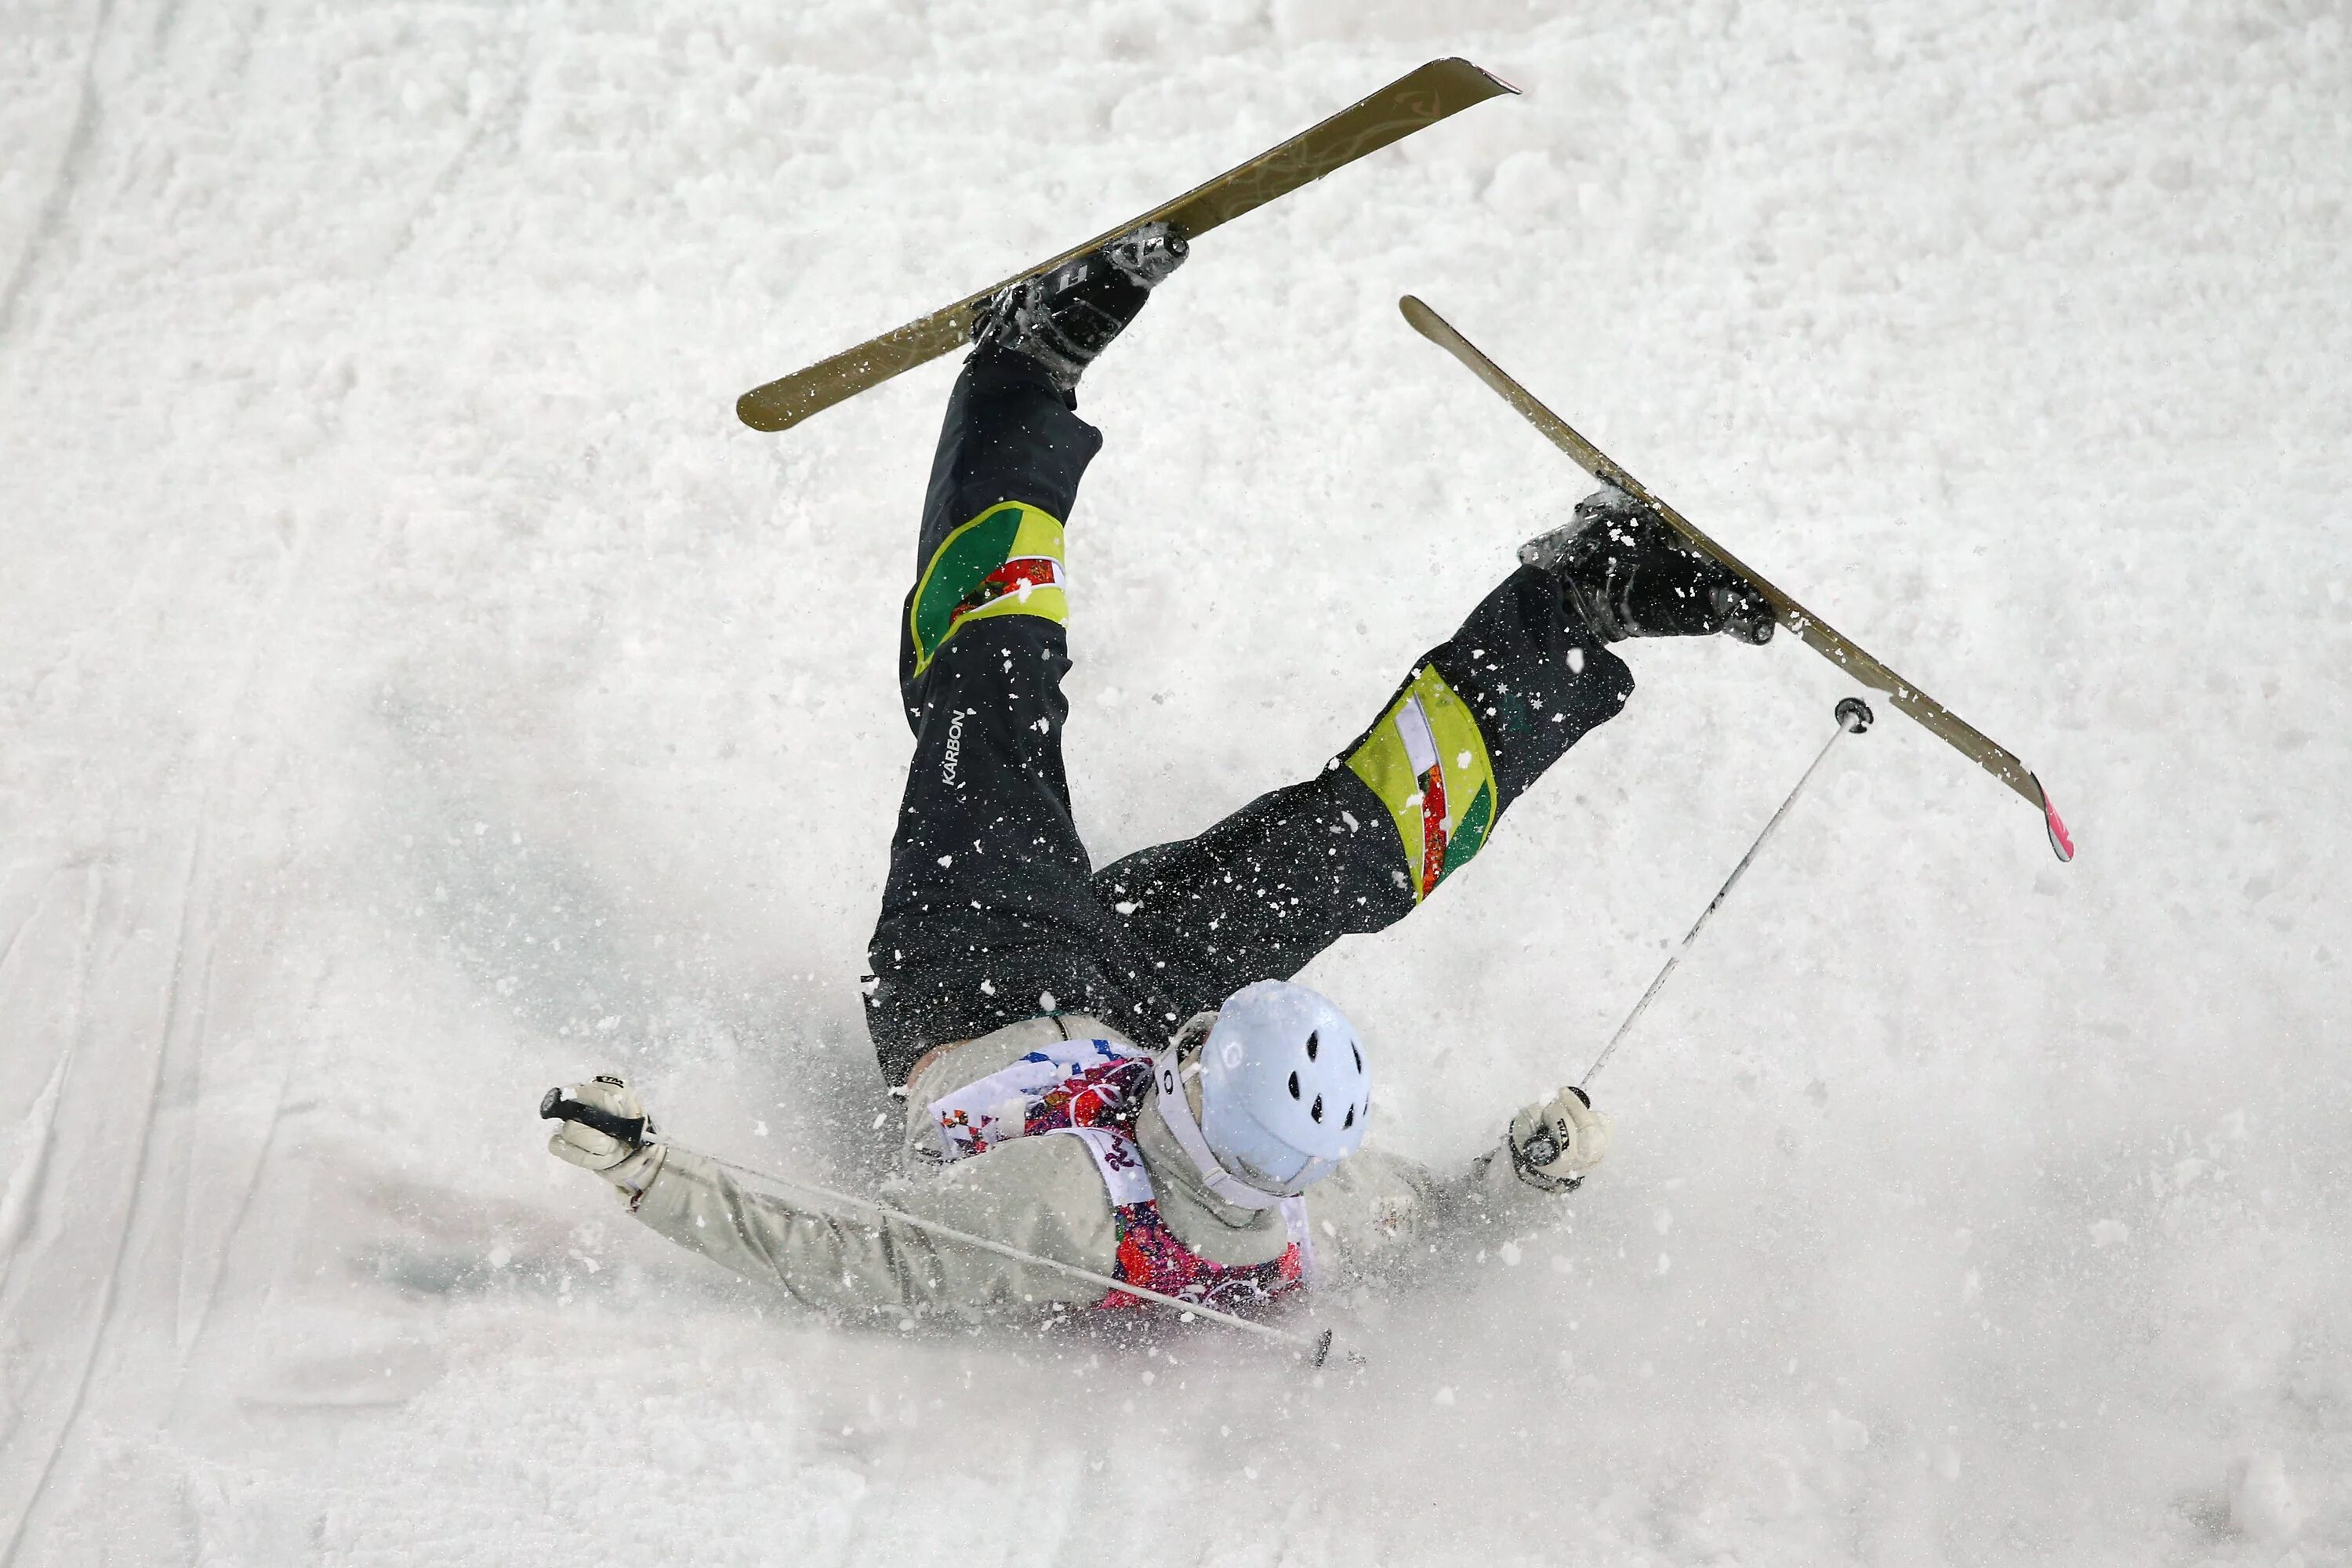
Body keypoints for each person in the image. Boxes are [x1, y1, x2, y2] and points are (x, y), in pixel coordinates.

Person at [546, 223, 1774, 1322]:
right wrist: (1525, 1180)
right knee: (1361, 855)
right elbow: (1436, 1227)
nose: (1195, 1041)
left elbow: (849, 1259)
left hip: (973, 976)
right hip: (1115, 992)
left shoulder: (1055, 1215)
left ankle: (1018, 374)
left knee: (998, 688)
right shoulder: (1314, 1202)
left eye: (1201, 1051)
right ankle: (1576, 602)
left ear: (1197, 1106)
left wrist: (650, 1171)